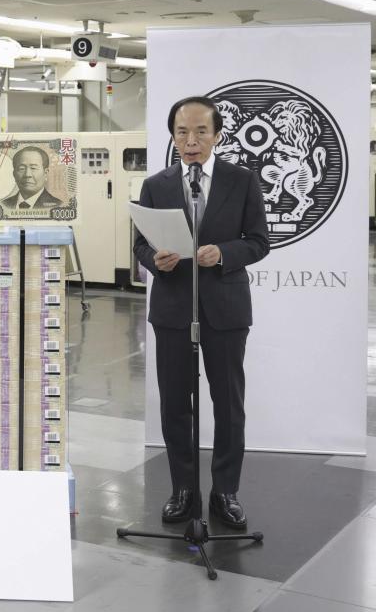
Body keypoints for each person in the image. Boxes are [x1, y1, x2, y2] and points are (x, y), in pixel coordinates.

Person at [133, 96, 269, 529]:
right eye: (181, 133)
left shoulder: (241, 180)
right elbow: (140, 244)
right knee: (175, 403)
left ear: (217, 134)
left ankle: (225, 492)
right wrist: (156, 261)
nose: (190, 141)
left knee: (228, 403)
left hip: (225, 310)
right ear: (172, 136)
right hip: (173, 310)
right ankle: (183, 490)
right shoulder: (156, 184)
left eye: (200, 132)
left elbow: (258, 241)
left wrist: (224, 253)